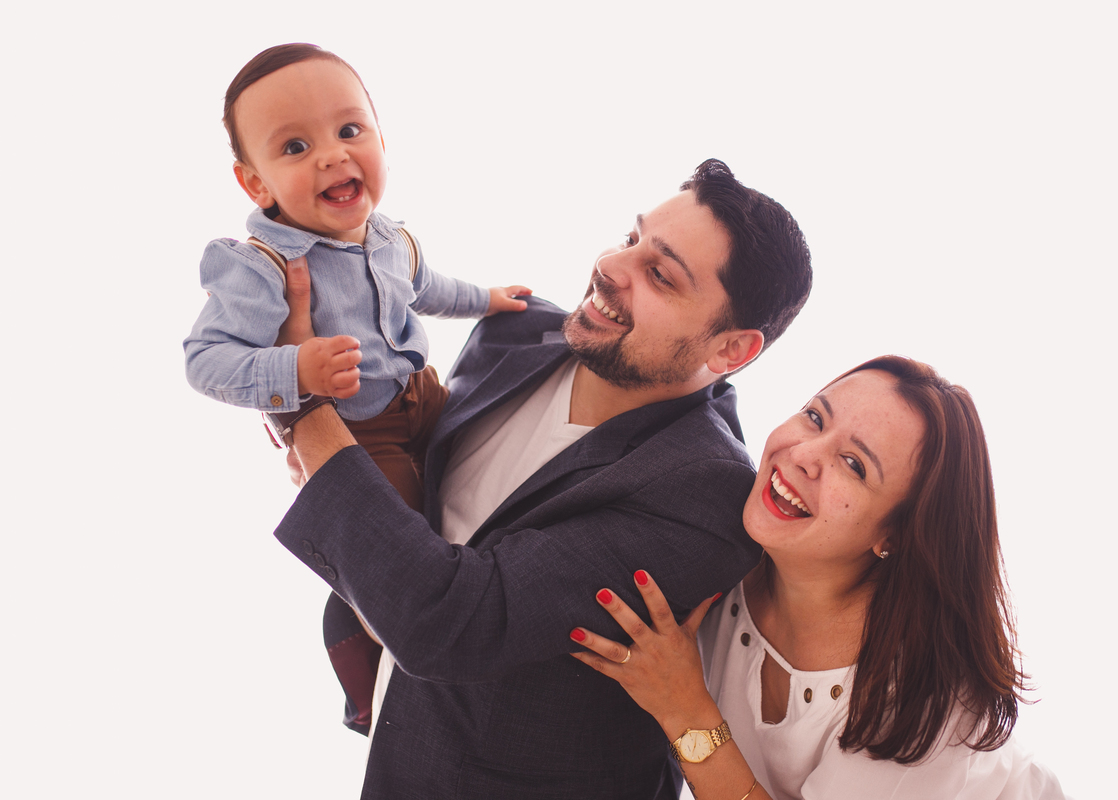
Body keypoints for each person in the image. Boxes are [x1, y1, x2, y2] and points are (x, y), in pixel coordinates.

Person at [272, 159, 813, 798]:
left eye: (659, 275)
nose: (614, 267)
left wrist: (300, 399)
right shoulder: (514, 332)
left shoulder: (704, 496)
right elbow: (415, 502)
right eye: (632, 238)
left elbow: (453, 620)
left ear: (731, 350)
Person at [571, 356, 1069, 800]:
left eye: (853, 465)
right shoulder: (726, 547)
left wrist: (684, 708)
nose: (804, 455)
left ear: (894, 535)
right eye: (815, 417)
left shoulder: (921, 697)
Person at [183, 43, 529, 511]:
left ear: (382, 141)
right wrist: (297, 369)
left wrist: (486, 298)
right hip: (357, 434)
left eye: (349, 130)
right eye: (295, 147)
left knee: (493, 478)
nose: (332, 155)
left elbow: (427, 288)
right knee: (399, 532)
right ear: (257, 184)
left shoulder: (390, 239)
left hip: (423, 395)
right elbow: (205, 361)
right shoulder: (262, 266)